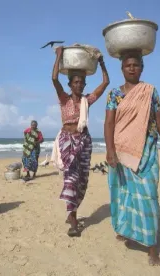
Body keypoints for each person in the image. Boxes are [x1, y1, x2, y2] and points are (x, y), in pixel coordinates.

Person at [104, 50, 160, 266]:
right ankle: (124, 230)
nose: (132, 68)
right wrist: (110, 150)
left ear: (142, 68)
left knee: (149, 197)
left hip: (146, 153)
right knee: (123, 194)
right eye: (128, 65)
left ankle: (152, 248)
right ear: (122, 68)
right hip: (121, 152)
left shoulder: (150, 92)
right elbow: (109, 123)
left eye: (136, 65)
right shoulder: (114, 95)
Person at [52, 46, 110, 237]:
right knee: (71, 180)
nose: (79, 85)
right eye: (76, 82)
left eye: (82, 82)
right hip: (67, 142)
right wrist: (59, 56)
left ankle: (72, 213)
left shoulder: (87, 100)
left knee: (82, 181)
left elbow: (105, 82)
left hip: (84, 142)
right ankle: (74, 220)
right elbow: (54, 79)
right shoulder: (64, 99)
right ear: (70, 84)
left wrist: (101, 61)